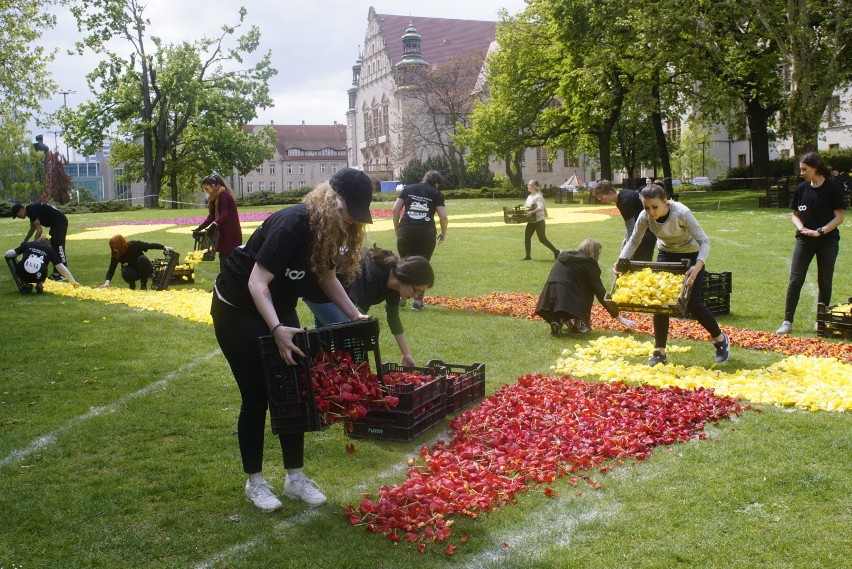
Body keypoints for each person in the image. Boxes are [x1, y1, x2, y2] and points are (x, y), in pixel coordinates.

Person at [211, 167, 373, 512]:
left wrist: (355, 314)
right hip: (237, 308)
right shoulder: (292, 224)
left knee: (293, 390)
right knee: (256, 395)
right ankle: (255, 482)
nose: (350, 223)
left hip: (277, 305)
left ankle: (295, 478)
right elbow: (257, 283)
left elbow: (327, 277)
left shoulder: (329, 231)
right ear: (334, 202)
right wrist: (277, 329)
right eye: (349, 214)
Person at [616, 183, 729, 366]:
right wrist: (621, 260)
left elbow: (704, 241)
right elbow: (634, 240)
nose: (651, 212)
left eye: (655, 207)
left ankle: (720, 340)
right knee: (661, 304)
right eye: (646, 207)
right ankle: (659, 352)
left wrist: (697, 266)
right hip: (667, 253)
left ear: (665, 202)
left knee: (693, 303)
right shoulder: (645, 217)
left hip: (692, 255)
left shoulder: (681, 213)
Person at [304, 246, 434, 366]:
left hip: (333, 296)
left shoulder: (394, 283)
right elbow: (356, 316)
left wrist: (406, 354)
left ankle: (319, 375)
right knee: (351, 342)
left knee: (323, 348)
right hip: (320, 291)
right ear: (407, 278)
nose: (416, 295)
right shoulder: (374, 276)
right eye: (416, 290)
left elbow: (394, 319)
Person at [776, 152, 846, 334]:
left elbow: (839, 217)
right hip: (804, 240)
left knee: (825, 280)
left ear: (815, 168)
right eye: (801, 169)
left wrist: (820, 231)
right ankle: (787, 321)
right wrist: (801, 228)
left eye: (804, 169)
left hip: (827, 240)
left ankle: (820, 320)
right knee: (795, 279)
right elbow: (795, 215)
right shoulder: (801, 188)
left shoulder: (833, 188)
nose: (801, 172)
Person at [536, 238, 635, 336]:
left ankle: (558, 320)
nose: (599, 258)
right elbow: (600, 292)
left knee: (569, 288)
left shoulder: (563, 257)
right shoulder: (589, 264)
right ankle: (577, 326)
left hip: (548, 299)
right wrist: (618, 316)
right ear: (594, 253)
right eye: (598, 254)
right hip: (566, 298)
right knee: (588, 290)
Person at [392, 170, 448, 310]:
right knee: (422, 266)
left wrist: (397, 228)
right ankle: (417, 303)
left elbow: (395, 210)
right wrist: (443, 232)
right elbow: (443, 217)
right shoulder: (436, 194)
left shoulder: (408, 189)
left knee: (404, 264)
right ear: (436, 183)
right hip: (426, 233)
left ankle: (401, 298)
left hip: (406, 231)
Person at [593, 180, 657, 261]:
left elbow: (631, 227)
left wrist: (627, 245)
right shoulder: (624, 195)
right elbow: (631, 223)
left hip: (645, 234)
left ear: (611, 193)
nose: (601, 201)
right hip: (645, 232)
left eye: (602, 198)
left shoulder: (624, 201)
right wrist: (626, 238)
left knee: (638, 265)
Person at [192, 174, 243, 270]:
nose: (206, 192)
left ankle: (227, 280)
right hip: (224, 232)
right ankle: (225, 280)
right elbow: (211, 216)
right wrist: (199, 228)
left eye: (207, 189)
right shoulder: (215, 197)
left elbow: (224, 214)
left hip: (230, 233)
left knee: (227, 257)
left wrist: (214, 225)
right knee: (224, 256)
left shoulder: (223, 196)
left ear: (214, 186)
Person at [12, 202, 69, 281]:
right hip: (55, 224)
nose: (18, 217)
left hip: (60, 222)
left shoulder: (31, 209)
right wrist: (25, 241)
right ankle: (56, 274)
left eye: (17, 215)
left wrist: (34, 244)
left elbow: (39, 230)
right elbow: (33, 228)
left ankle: (63, 274)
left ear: (21, 210)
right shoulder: (30, 211)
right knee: (54, 248)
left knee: (59, 247)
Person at [5, 237, 81, 293]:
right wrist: (73, 282)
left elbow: (10, 254)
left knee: (22, 265)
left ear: (37, 241)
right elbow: (61, 267)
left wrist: (8, 253)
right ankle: (39, 283)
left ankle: (25, 285)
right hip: (39, 276)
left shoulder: (29, 244)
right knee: (43, 267)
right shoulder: (49, 250)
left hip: (21, 273)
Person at [100, 235, 173, 290]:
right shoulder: (115, 254)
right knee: (126, 271)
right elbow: (111, 269)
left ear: (121, 245)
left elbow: (149, 245)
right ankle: (132, 285)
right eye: (112, 248)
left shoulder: (134, 244)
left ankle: (143, 285)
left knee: (142, 258)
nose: (114, 249)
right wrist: (107, 282)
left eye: (116, 247)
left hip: (143, 269)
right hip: (131, 272)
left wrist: (164, 247)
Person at [521, 179, 560, 261]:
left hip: (539, 221)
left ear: (534, 187)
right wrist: (522, 210)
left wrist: (531, 212)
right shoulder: (529, 196)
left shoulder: (538, 197)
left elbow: (540, 207)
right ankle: (528, 256)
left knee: (542, 239)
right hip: (531, 221)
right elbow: (526, 207)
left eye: (529, 185)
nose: (527, 186)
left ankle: (556, 252)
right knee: (527, 238)